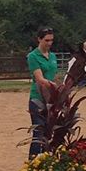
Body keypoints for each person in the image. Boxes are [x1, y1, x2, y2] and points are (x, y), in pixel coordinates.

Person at [27, 26, 58, 159]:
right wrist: (55, 86)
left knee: (49, 133)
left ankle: (46, 161)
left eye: (51, 40)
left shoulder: (52, 56)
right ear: (39, 39)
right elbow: (39, 79)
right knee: (38, 132)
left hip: (51, 99)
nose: (49, 43)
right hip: (38, 98)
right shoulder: (33, 56)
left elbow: (54, 75)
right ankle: (33, 162)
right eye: (46, 40)